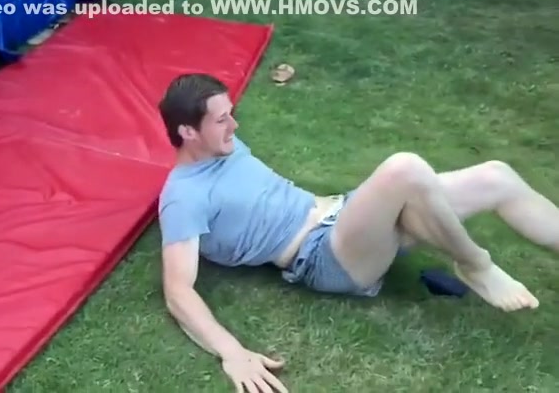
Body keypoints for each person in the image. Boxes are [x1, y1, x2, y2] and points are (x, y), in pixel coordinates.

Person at [156, 73, 558, 393]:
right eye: (221, 120)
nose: (234, 125)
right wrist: (231, 352)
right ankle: (476, 265)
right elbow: (178, 290)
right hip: (322, 255)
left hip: (345, 215)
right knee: (404, 169)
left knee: (496, 177)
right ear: (188, 132)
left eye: (231, 114)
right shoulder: (184, 198)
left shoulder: (224, 146)